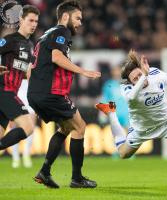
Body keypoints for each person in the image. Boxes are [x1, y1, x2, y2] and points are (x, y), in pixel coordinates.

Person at [28, 1, 101, 188]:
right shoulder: (62, 31)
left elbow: (31, 68)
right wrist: (82, 71)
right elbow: (56, 57)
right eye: (78, 18)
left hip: (37, 93)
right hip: (51, 92)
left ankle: (44, 171)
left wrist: (36, 97)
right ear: (66, 17)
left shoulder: (45, 35)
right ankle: (77, 178)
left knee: (66, 128)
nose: (80, 23)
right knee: (80, 127)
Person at [95, 50, 167, 159]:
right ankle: (112, 115)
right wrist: (143, 76)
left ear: (142, 70)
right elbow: (131, 97)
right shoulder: (126, 88)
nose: (139, 78)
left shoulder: (154, 74)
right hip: (142, 128)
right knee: (123, 154)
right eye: (135, 79)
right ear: (130, 82)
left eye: (139, 75)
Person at [0, 5, 39, 152]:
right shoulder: (10, 40)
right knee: (28, 127)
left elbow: (20, 71)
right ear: (21, 20)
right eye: (30, 20)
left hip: (9, 93)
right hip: (4, 91)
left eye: (36, 21)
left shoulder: (30, 45)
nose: (34, 24)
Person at [101, 65, 129, 159]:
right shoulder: (108, 84)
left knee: (128, 132)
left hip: (126, 111)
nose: (116, 73)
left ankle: (128, 152)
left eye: (118, 71)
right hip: (114, 112)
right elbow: (105, 98)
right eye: (114, 71)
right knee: (117, 133)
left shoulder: (126, 83)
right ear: (112, 72)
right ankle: (117, 152)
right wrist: (102, 112)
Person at [11, 79, 36, 168]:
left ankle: (26, 155)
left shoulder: (32, 64)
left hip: (29, 94)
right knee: (14, 126)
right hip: (14, 93)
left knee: (31, 127)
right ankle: (15, 157)